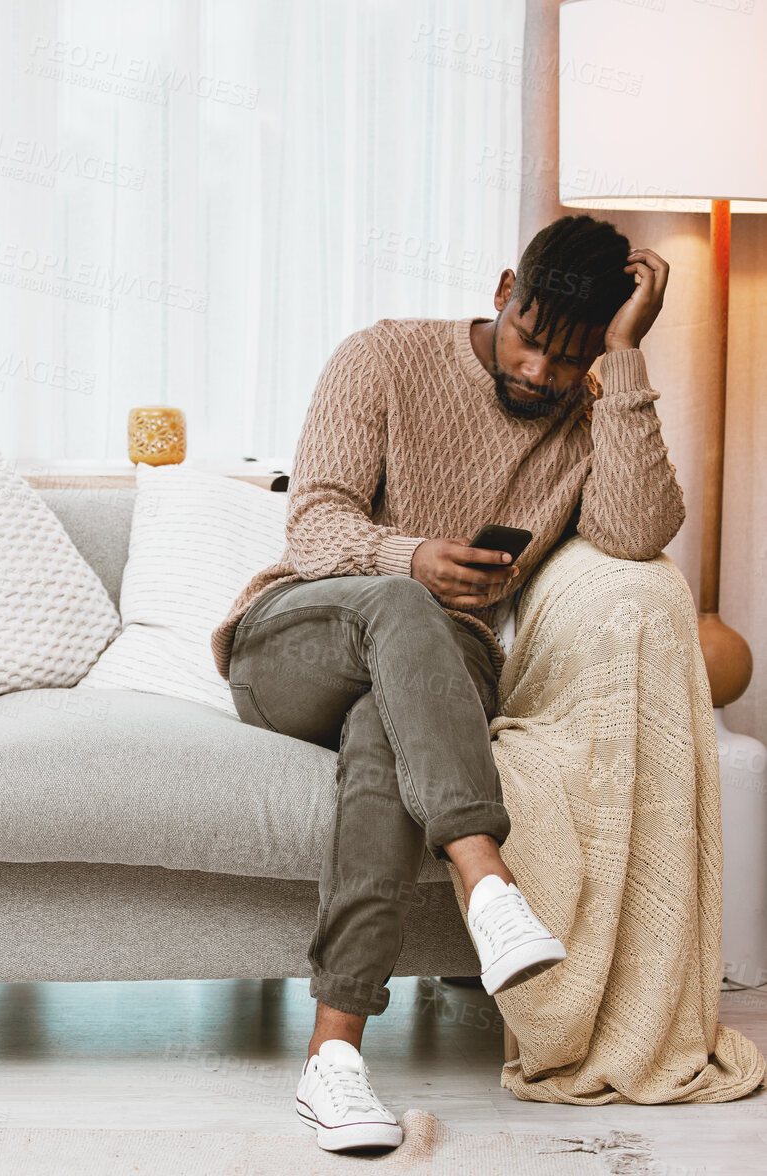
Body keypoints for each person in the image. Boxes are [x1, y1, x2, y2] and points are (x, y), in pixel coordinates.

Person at [210, 214, 684, 1154]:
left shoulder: (590, 406)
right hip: (300, 638)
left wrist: (625, 360)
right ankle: (486, 877)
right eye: (530, 339)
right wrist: (412, 559)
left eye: (572, 354)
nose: (543, 372)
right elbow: (313, 527)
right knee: (399, 602)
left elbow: (636, 531)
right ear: (504, 288)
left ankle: (333, 1062)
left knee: (387, 743)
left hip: (432, 677)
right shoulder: (383, 357)